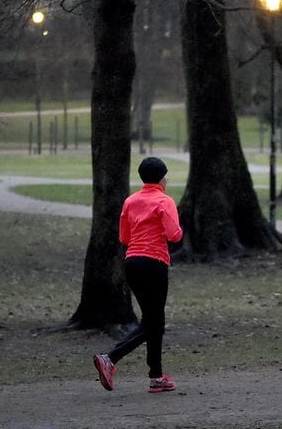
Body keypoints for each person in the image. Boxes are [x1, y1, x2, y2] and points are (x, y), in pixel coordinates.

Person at [93, 156, 183, 393]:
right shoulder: (165, 201)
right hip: (154, 263)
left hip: (132, 263)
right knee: (154, 321)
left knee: (153, 320)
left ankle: (156, 376)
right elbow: (174, 235)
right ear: (162, 178)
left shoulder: (130, 201)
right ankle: (110, 358)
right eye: (166, 175)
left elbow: (124, 237)